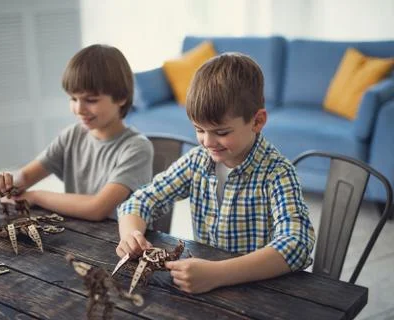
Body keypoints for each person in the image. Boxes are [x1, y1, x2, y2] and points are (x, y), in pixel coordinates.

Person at [115, 52, 315, 293]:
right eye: (199, 129)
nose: (208, 142)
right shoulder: (197, 161)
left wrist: (218, 274)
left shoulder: (278, 173)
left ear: (257, 121)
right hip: (205, 289)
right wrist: (131, 234)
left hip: (258, 292)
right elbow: (140, 200)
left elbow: (297, 244)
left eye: (221, 132)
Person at [0, 44, 153, 221]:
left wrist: (35, 196)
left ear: (121, 98)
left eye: (91, 100)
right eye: (73, 98)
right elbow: (25, 176)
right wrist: (8, 184)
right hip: (81, 235)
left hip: (118, 242)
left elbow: (97, 208)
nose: (79, 109)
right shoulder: (72, 135)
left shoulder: (137, 148)